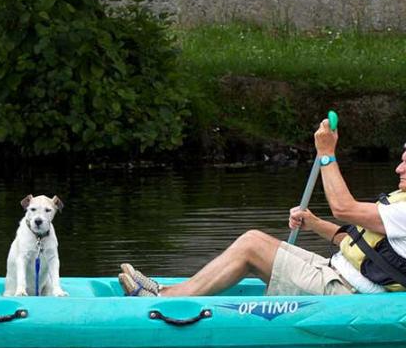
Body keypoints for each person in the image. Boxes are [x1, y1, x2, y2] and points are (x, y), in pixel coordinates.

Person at [119, 117, 406, 297]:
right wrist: (315, 224)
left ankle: (166, 300)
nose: (398, 168)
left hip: (348, 291)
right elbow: (358, 242)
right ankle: (172, 291)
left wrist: (327, 155)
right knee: (255, 240)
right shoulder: (401, 202)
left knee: (252, 246)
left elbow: (343, 208)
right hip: (334, 269)